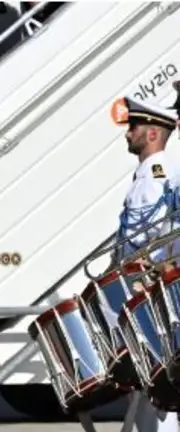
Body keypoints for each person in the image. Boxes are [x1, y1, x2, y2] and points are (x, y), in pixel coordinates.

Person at [113, 96, 179, 432]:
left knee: (155, 393)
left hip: (150, 294)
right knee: (149, 392)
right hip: (149, 293)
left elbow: (151, 238)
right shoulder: (153, 174)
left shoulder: (155, 178)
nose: (128, 133)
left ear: (153, 134)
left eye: (134, 127)